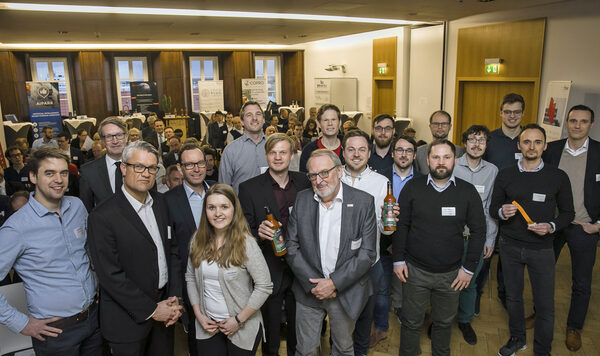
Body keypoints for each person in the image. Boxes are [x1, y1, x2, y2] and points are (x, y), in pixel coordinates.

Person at [0, 147, 101, 355]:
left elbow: (90, 254)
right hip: (56, 334)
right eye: (49, 173)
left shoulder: (77, 206)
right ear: (33, 177)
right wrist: (21, 323)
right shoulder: (16, 227)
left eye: (63, 173)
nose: (59, 179)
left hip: (93, 320)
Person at [87, 140, 183, 356]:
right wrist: (151, 310)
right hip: (127, 322)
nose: (145, 173)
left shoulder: (161, 203)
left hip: (165, 311)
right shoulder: (102, 216)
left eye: (151, 168)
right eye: (138, 166)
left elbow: (173, 252)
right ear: (123, 168)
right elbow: (110, 275)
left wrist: (175, 298)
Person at [393, 139, 486, 356]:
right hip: (414, 272)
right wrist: (398, 259)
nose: (441, 162)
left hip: (451, 275)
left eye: (446, 157)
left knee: (443, 324)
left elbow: (479, 231)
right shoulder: (413, 187)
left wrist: (469, 269)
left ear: (455, 160)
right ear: (427, 160)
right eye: (436, 157)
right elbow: (402, 225)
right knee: (411, 323)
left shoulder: (467, 191)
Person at [490, 124, 574, 356]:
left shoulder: (557, 176)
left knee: (544, 303)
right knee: (514, 298)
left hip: (542, 248)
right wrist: (501, 212)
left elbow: (568, 213)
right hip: (510, 246)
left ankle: (542, 350)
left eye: (537, 142)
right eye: (526, 142)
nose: (532, 147)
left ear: (545, 146)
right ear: (519, 145)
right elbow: (493, 207)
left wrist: (551, 226)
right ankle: (517, 339)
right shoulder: (506, 174)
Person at [286, 149, 377, 356]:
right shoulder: (302, 200)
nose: (319, 180)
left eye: (325, 173)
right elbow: (291, 247)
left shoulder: (363, 202)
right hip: (308, 289)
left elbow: (367, 254)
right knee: (305, 350)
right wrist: (315, 285)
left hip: (345, 291)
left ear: (339, 172)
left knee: (343, 348)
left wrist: (334, 283)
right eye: (313, 175)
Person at [238, 134, 311, 356]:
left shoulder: (304, 182)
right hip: (269, 268)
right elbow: (242, 231)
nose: (278, 157)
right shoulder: (249, 188)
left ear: (291, 155)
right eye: (273, 153)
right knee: (270, 335)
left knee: (298, 332)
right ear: (266, 155)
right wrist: (258, 234)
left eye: (283, 152)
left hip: (301, 268)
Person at [185, 183, 272, 355]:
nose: (218, 213)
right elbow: (190, 277)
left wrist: (238, 320)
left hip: (242, 327)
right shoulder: (198, 239)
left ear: (234, 209)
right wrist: (199, 316)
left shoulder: (247, 243)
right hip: (207, 327)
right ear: (205, 211)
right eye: (211, 207)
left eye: (224, 207)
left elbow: (264, 286)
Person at [542, 105, 600, 352]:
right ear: (566, 122)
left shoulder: (599, 152)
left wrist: (597, 226)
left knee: (582, 283)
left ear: (591, 125)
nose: (577, 125)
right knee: (543, 276)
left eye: (583, 121)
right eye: (573, 120)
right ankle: (539, 314)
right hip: (554, 225)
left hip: (584, 227)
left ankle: (574, 326)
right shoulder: (552, 150)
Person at [338, 130, 396, 356]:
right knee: (339, 318)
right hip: (338, 264)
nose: (356, 154)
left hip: (370, 263)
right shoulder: (332, 177)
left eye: (362, 149)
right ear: (343, 152)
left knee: (364, 318)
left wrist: (391, 223)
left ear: (369, 153)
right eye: (351, 149)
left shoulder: (381, 183)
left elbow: (385, 227)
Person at [371, 135, 422, 348]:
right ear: (392, 153)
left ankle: (410, 331)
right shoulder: (380, 179)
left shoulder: (423, 181)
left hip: (413, 245)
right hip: (383, 243)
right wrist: (389, 239)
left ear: (415, 155)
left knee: (410, 290)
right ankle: (381, 328)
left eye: (408, 150)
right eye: (399, 150)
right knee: (381, 290)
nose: (403, 154)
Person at [165, 143, 216, 355]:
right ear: (180, 167)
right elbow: (172, 252)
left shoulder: (219, 191)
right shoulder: (168, 201)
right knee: (199, 340)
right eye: (189, 164)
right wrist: (176, 292)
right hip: (191, 283)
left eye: (200, 163)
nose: (196, 169)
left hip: (223, 279)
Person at [478, 93, 526, 312]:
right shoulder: (490, 139)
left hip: (518, 207)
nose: (512, 116)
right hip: (491, 205)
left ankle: (505, 294)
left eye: (517, 112)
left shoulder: (527, 139)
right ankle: (476, 293)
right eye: (508, 112)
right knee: (486, 253)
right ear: (501, 113)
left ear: (522, 114)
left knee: (510, 256)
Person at [452, 125, 499, 345]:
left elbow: (491, 207)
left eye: (481, 140)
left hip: (477, 238)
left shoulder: (492, 171)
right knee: (445, 280)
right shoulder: (452, 165)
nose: (476, 144)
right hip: (450, 236)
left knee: (469, 282)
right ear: (464, 142)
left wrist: (490, 239)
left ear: (486, 145)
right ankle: (442, 319)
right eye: (472, 139)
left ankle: (464, 320)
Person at [79, 117, 129, 212]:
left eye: (119, 135)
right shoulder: (89, 172)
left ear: (126, 137)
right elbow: (87, 210)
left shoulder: (141, 166)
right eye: (109, 136)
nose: (115, 141)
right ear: (102, 140)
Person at [219, 101, 268, 193]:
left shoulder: (275, 146)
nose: (254, 118)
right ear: (242, 121)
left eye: (258, 114)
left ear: (264, 119)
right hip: (241, 206)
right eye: (249, 115)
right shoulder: (230, 151)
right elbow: (224, 189)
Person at [299, 104, 344, 172]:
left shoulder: (349, 147)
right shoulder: (308, 150)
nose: (330, 123)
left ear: (340, 122)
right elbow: (304, 180)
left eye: (333, 119)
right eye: (325, 120)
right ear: (319, 123)